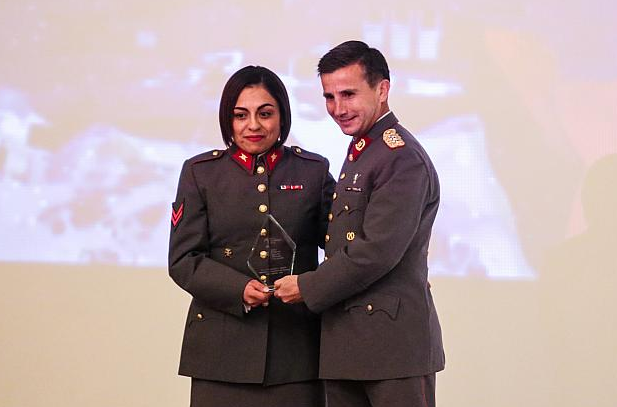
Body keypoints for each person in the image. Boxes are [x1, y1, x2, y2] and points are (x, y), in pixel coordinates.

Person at [274, 40, 445, 407]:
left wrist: (306, 285)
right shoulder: (366, 150)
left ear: (382, 90)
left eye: (348, 94)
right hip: (349, 344)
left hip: (392, 347)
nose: (338, 108)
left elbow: (376, 251)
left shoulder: (400, 158)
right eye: (329, 97)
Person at [168, 65, 335, 407]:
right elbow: (184, 260)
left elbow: (343, 247)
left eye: (265, 113)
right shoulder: (201, 173)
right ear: (227, 120)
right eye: (240, 115)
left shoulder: (313, 171)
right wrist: (238, 289)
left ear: (282, 116)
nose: (253, 125)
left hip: (297, 354)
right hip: (219, 354)